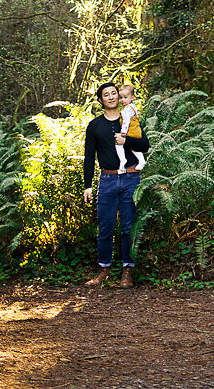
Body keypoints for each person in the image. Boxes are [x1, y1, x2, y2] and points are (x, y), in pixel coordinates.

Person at [81, 80, 148, 288]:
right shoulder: (95, 126)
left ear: (119, 97)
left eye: (114, 93)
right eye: (106, 94)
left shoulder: (129, 118)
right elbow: (89, 157)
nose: (111, 97)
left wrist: (126, 140)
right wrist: (87, 185)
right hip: (107, 179)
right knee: (105, 226)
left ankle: (127, 272)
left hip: (130, 177)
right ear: (100, 100)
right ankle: (103, 270)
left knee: (129, 227)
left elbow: (144, 145)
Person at [114, 82, 146, 173]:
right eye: (121, 98)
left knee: (117, 142)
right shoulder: (132, 107)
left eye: (125, 97)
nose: (122, 100)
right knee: (133, 147)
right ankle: (141, 161)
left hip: (130, 131)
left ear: (132, 98)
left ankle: (123, 159)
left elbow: (126, 121)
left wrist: (123, 132)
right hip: (136, 131)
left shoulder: (126, 109)